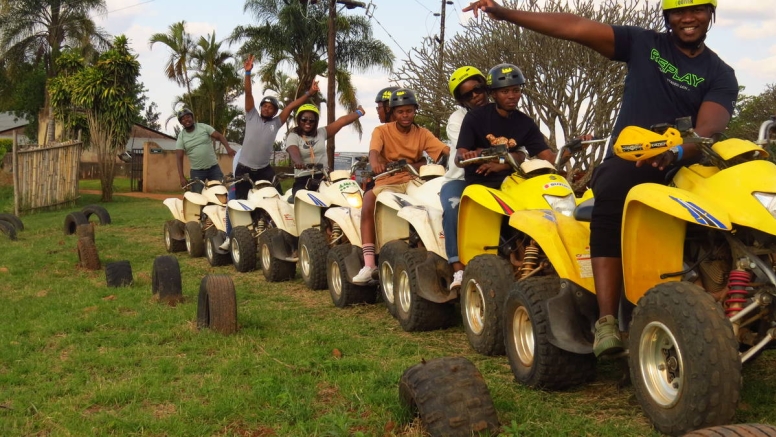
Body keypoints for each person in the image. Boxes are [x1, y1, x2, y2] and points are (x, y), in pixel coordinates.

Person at [465, 0, 738, 357]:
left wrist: (682, 151)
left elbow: (708, 128)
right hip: (632, 157)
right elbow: (575, 27)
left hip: (685, 158)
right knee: (611, 195)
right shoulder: (644, 44)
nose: (688, 18)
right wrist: (505, 14)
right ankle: (607, 320)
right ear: (667, 17)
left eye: (697, 10)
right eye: (678, 11)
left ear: (710, 14)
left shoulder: (720, 72)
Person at [450, 62, 556, 286]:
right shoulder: (475, 118)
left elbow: (547, 156)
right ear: (494, 94)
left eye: (516, 90)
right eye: (505, 91)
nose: (512, 96)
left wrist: (567, 153)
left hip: (514, 181)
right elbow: (459, 157)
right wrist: (471, 156)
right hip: (481, 184)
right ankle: (467, 266)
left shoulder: (525, 122)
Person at [352, 88, 451, 283]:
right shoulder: (381, 131)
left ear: (415, 111)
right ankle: (369, 263)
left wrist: (458, 153)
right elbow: (374, 152)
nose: (405, 115)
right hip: (388, 181)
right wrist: (376, 165)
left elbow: (443, 151)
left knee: (436, 201)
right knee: (369, 200)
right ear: (393, 113)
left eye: (409, 111)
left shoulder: (422, 133)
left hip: (414, 180)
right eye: (400, 111)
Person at [235, 54, 319, 201]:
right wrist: (247, 73)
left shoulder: (276, 122)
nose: (267, 109)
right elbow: (248, 92)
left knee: (278, 199)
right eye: (265, 106)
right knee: (242, 203)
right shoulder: (251, 115)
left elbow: (292, 105)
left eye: (271, 108)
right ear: (260, 108)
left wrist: (309, 93)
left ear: (275, 112)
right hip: (244, 169)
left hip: (264, 169)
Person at [439, 66, 490, 291]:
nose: (475, 96)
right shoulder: (457, 118)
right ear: (461, 100)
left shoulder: (501, 112)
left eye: (477, 89)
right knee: (453, 208)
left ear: (485, 87)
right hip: (461, 179)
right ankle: (458, 268)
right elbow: (465, 149)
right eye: (467, 95)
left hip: (495, 176)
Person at [284, 103, 366, 196]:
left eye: (312, 120)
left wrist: (359, 112)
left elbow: (341, 122)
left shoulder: (321, 133)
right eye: (304, 119)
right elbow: (293, 150)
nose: (308, 122)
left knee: (339, 197)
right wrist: (298, 161)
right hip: (303, 179)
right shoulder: (293, 136)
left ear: (316, 122)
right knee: (301, 198)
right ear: (299, 120)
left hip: (323, 177)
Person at [175, 108, 236, 194]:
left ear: (192, 118)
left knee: (221, 193)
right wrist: (181, 177)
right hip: (197, 172)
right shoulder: (181, 137)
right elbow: (179, 157)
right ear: (181, 122)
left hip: (214, 168)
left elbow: (219, 136)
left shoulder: (203, 127)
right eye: (183, 119)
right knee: (197, 197)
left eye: (188, 117)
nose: (186, 120)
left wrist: (228, 148)